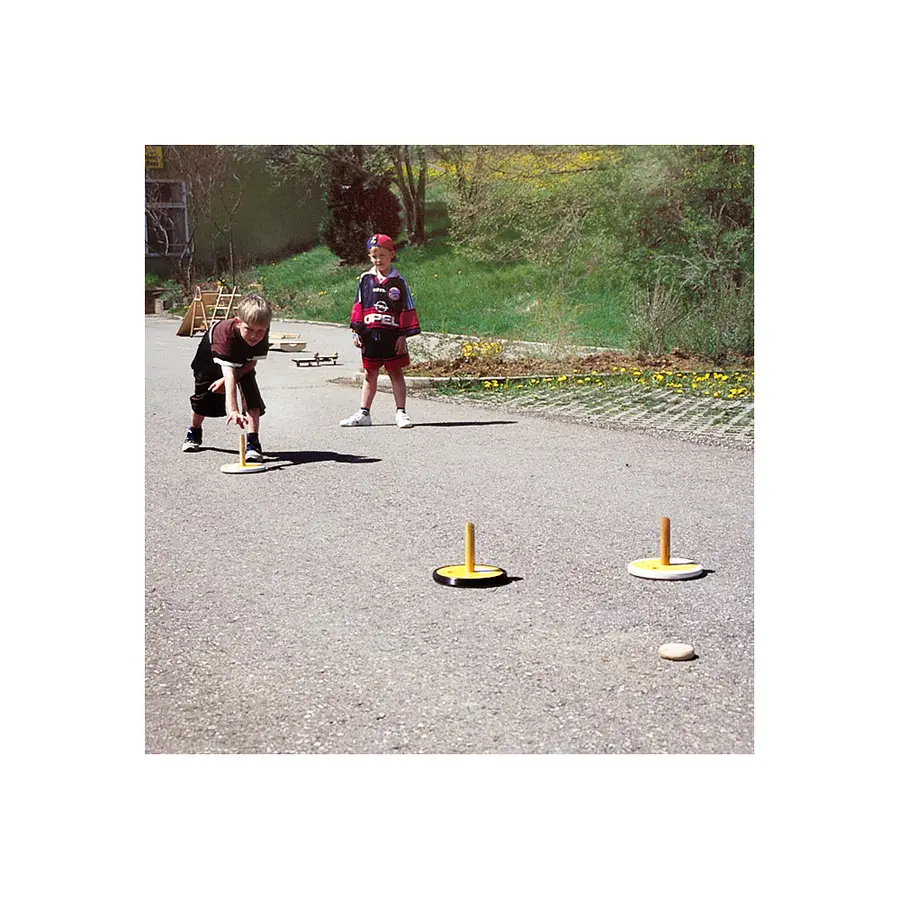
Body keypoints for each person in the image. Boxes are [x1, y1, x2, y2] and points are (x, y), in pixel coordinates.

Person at [340, 234, 421, 428]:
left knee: (395, 372)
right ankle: (364, 413)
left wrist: (403, 334)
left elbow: (406, 307)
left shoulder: (399, 281)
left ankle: (401, 412)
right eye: (374, 256)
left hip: (392, 335)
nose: (379, 260)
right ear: (370, 257)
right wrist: (356, 330)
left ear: (392, 254)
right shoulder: (365, 279)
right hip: (370, 334)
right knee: (370, 373)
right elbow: (358, 304)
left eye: (383, 255)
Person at [181, 293, 272, 460]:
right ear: (238, 322)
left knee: (252, 396)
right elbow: (228, 373)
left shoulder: (261, 329)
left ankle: (253, 442)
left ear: (266, 326)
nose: (254, 335)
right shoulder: (225, 334)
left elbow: (252, 362)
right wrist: (233, 409)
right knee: (202, 398)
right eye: (249, 329)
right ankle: (194, 431)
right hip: (209, 360)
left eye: (260, 331)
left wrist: (229, 379)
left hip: (241, 362)